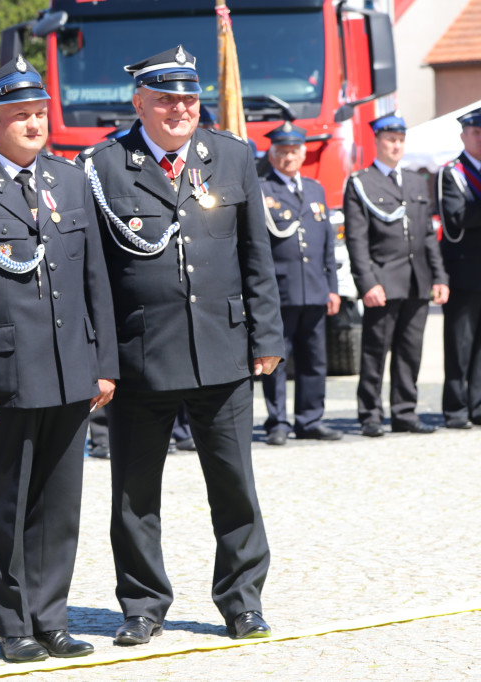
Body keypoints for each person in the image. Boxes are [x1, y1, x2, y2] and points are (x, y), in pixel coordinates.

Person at [78, 45, 284, 644]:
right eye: (165, 98)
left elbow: (255, 257)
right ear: (138, 101)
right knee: (135, 491)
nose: (179, 109)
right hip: (141, 353)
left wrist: (266, 334)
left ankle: (242, 601)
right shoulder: (104, 165)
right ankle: (142, 604)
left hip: (223, 348)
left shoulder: (232, 156)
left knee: (234, 484)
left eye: (188, 98)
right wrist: (102, 359)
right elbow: (95, 275)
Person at [0, 55, 118, 664]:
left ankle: (51, 617)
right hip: (4, 376)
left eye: (40, 113)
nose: (35, 124)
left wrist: (103, 362)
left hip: (69, 369)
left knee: (60, 505)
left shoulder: (70, 181)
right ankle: (13, 625)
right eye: (21, 115)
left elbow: (96, 282)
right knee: (7, 505)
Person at [343, 114, 448, 437]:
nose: (396, 145)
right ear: (377, 141)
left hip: (417, 280)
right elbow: (357, 240)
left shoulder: (416, 181)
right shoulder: (361, 181)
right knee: (376, 351)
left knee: (410, 351)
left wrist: (439, 277)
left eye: (400, 140)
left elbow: (428, 235)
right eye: (390, 139)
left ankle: (405, 411)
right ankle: (371, 414)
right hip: (383, 281)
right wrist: (367, 283)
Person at [259, 122, 343, 445]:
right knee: (277, 360)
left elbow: (327, 246)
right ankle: (277, 422)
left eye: (293, 151)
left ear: (303, 153)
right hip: (281, 290)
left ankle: (310, 419)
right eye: (282, 152)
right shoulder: (262, 190)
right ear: (272, 154)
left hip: (315, 289)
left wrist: (332, 287)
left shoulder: (315, 189)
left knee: (314, 358)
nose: (288, 157)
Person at [437, 107, 481, 429]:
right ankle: (455, 409)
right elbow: (456, 219)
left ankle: (477, 406)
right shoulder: (452, 172)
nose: (480, 138)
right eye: (476, 132)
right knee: (459, 342)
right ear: (464, 135)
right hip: (464, 271)